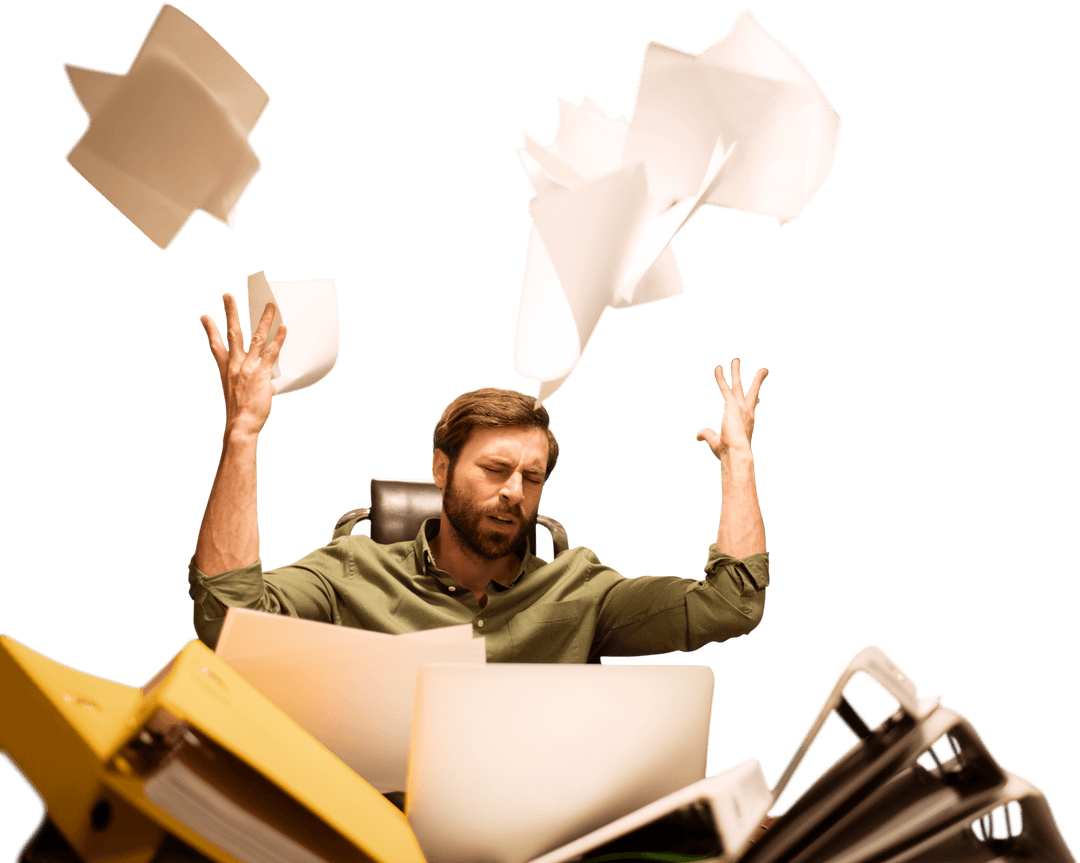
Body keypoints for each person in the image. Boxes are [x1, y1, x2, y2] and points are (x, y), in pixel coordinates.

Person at [188, 293, 770, 663]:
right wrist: (242, 433)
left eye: (532, 477)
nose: (514, 491)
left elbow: (731, 606)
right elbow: (226, 619)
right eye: (495, 469)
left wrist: (739, 462)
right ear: (441, 469)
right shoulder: (352, 571)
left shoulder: (580, 589)